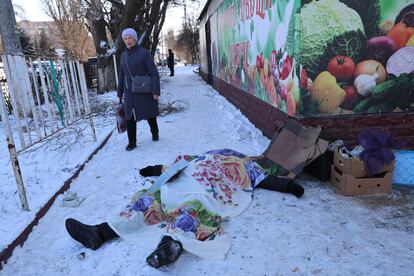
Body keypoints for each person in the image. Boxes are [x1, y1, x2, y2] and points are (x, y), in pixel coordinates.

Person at [65, 149, 304, 268]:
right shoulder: (201, 156)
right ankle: (100, 232)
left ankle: (171, 245)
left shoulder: (247, 165)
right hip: (179, 183)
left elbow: (268, 180)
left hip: (209, 189)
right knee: (147, 201)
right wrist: (153, 169)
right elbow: (174, 167)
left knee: (194, 210)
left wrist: (290, 186)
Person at [117, 28, 161, 151]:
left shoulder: (144, 53)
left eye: (130, 38)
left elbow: (154, 73)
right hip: (129, 92)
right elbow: (121, 75)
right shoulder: (123, 56)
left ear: (135, 39)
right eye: (125, 39)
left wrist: (156, 91)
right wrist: (119, 93)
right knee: (129, 117)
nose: (128, 40)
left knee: (150, 114)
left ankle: (155, 133)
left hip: (144, 90)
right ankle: (132, 142)